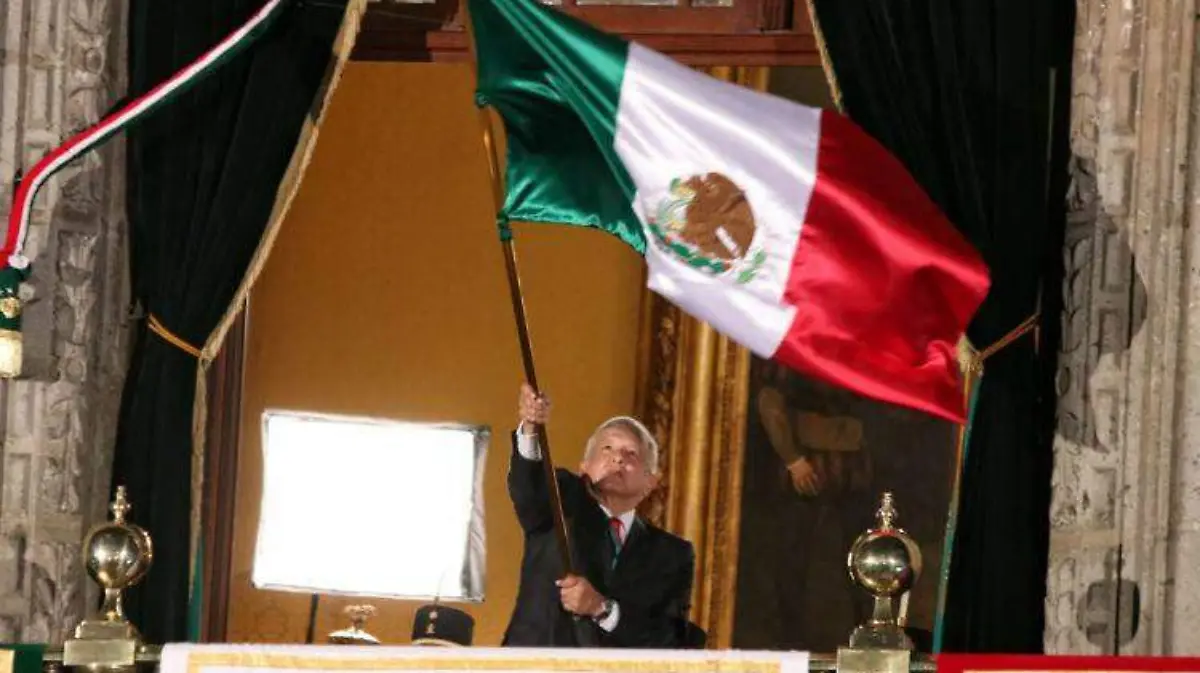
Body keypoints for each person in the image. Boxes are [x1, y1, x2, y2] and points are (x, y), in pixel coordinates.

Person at [502, 383, 697, 648]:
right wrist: (531, 428)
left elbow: (670, 639)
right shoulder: (560, 500)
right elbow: (529, 488)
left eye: (631, 454)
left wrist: (603, 609)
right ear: (585, 467)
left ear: (651, 482)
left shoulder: (673, 554)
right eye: (607, 448)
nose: (618, 459)